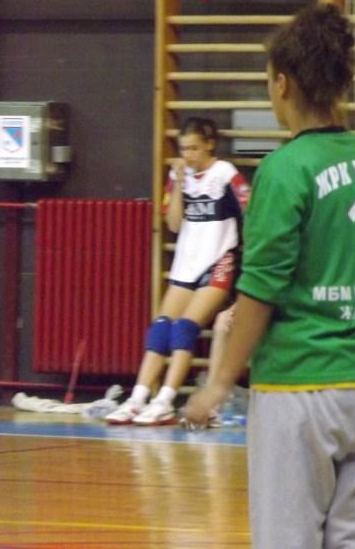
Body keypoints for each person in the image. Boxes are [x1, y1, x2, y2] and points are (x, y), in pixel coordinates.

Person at [182, 3, 355, 549]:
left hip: (301, 387)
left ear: (281, 83)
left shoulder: (284, 169)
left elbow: (261, 287)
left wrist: (219, 383)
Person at [105, 116, 249, 425]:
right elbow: (173, 224)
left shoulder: (225, 174)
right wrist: (180, 185)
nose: (188, 155)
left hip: (218, 261)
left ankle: (165, 400)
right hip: (187, 263)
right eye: (184, 149)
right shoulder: (178, 175)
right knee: (160, 327)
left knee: (184, 327)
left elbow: (250, 209)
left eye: (194, 148)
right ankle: (137, 398)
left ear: (210, 145)